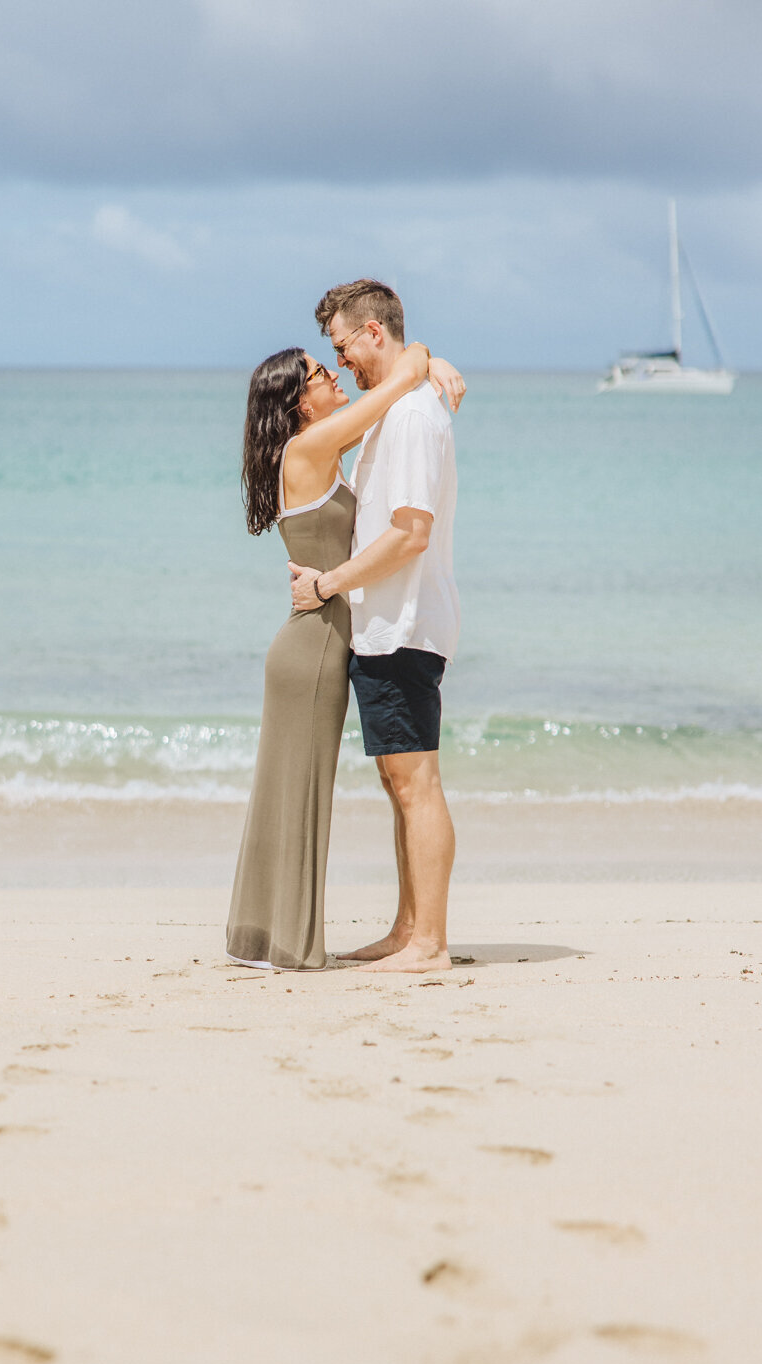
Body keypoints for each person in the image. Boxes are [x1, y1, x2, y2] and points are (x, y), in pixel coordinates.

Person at [226, 338, 464, 971]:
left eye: (331, 362)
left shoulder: (319, 445)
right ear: (298, 404)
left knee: (294, 789)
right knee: (297, 790)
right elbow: (389, 391)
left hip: (324, 637)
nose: (333, 375)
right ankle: (286, 943)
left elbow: (392, 402)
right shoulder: (311, 446)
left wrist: (427, 362)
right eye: (318, 373)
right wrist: (422, 362)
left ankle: (268, 937)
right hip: (313, 644)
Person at [289, 280, 460, 974]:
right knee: (400, 783)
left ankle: (431, 943)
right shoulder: (394, 411)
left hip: (406, 624)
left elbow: (410, 534)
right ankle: (407, 927)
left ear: (372, 334)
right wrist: (429, 358)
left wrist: (329, 583)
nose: (344, 366)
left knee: (417, 784)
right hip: (385, 625)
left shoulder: (414, 418)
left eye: (343, 349)